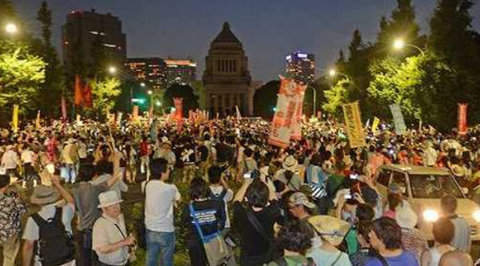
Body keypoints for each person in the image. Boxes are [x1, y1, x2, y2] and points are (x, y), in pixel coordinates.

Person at [72, 163, 122, 266]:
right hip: (94, 229)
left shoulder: (75, 189)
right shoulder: (95, 189)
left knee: (84, 259)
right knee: (96, 259)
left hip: (81, 228)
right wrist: (116, 159)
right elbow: (115, 176)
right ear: (94, 175)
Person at [22, 173, 76, 266]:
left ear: (38, 202)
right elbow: (70, 200)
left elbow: (29, 246)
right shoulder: (65, 211)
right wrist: (57, 185)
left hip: (44, 262)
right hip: (67, 260)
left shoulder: (34, 219)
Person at [233, 177, 280, 266]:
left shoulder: (241, 213)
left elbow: (236, 200)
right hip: (266, 252)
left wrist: (246, 183)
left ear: (246, 198)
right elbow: (274, 199)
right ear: (267, 199)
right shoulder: (272, 211)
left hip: (248, 254)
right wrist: (265, 183)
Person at [143, 158, 181, 266]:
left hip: (150, 228)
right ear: (162, 172)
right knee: (167, 260)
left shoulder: (147, 185)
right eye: (168, 169)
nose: (169, 171)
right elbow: (179, 199)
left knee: (151, 259)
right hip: (166, 229)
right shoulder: (171, 188)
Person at [182, 177, 226, 266]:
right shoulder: (217, 204)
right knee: (215, 263)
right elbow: (222, 223)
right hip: (213, 240)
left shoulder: (188, 207)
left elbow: (184, 223)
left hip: (195, 243)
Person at [93, 191, 135, 266]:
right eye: (111, 206)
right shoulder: (100, 224)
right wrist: (124, 242)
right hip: (109, 264)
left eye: (117, 204)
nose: (115, 207)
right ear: (104, 209)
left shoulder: (121, 217)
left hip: (125, 262)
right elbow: (103, 249)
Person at [0, 171, 27, 266]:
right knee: (9, 255)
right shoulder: (11, 200)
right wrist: (19, 197)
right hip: (9, 231)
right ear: (6, 185)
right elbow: (23, 210)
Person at [208, 166, 234, 230]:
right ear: (220, 177)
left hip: (210, 225)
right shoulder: (226, 192)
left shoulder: (205, 192)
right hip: (225, 224)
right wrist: (222, 180)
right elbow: (230, 193)